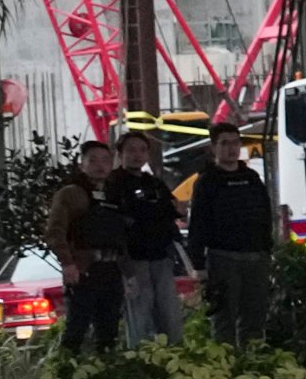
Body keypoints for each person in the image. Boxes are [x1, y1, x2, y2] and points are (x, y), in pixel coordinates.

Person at [188, 116, 284, 342]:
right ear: (214, 148)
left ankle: (251, 366)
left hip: (256, 258)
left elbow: (264, 214)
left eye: (235, 143)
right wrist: (198, 265)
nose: (231, 149)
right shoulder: (207, 181)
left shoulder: (251, 178)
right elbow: (198, 224)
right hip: (223, 258)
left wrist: (268, 249)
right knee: (224, 319)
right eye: (224, 143)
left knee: (255, 318)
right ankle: (227, 369)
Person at [106, 128, 187, 346]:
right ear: (120, 153)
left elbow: (174, 209)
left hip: (161, 255)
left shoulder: (154, 183)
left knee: (169, 311)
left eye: (142, 150)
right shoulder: (113, 183)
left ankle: (176, 358)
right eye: (131, 150)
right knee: (139, 312)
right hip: (133, 259)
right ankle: (139, 360)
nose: (137, 155)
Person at [46, 140, 125, 356]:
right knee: (77, 327)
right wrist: (68, 263)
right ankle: (65, 376)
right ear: (82, 165)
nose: (100, 165)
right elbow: (55, 231)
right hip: (84, 269)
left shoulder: (114, 194)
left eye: (105, 160)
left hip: (112, 269)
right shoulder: (70, 194)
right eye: (93, 160)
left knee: (109, 329)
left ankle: (106, 372)